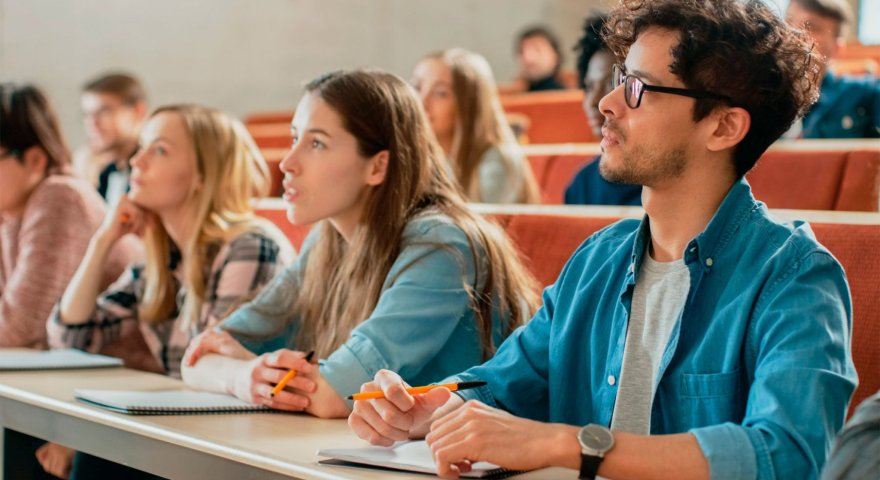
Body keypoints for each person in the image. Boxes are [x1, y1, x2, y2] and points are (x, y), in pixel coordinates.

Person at [349, 1, 857, 479]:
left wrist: (570, 444)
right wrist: (428, 407)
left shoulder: (795, 277)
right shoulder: (598, 258)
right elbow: (505, 381)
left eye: (638, 88)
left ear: (723, 127)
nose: (606, 103)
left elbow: (786, 454)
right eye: (620, 78)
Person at [180, 70, 540, 420]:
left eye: (317, 143)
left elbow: (335, 395)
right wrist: (244, 376)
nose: (288, 163)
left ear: (377, 167)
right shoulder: (327, 239)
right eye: (294, 139)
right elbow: (198, 356)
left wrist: (248, 372)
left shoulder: (442, 246)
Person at [0, 83, 143, 480]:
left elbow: (18, 327)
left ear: (34, 159)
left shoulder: (59, 198)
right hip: (73, 387)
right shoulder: (12, 210)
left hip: (126, 392)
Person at [411, 49, 540, 204]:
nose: (421, 101)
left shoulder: (497, 165)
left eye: (440, 93)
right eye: (416, 87)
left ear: (469, 105)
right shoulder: (423, 160)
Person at [565, 13, 642, 206]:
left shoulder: (662, 185)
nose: (594, 102)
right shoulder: (581, 184)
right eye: (589, 86)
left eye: (611, 83)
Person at [785, 0, 879, 138]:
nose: (792, 34)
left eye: (810, 27)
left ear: (837, 48)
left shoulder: (867, 93)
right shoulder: (763, 94)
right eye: (788, 22)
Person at [76, 73, 149, 204]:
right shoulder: (106, 171)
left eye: (104, 111)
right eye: (87, 114)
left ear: (138, 111)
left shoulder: (152, 172)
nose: (93, 123)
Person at [516, 26, 567, 92]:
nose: (528, 58)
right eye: (522, 51)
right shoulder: (518, 94)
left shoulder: (565, 95)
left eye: (537, 49)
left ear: (556, 56)